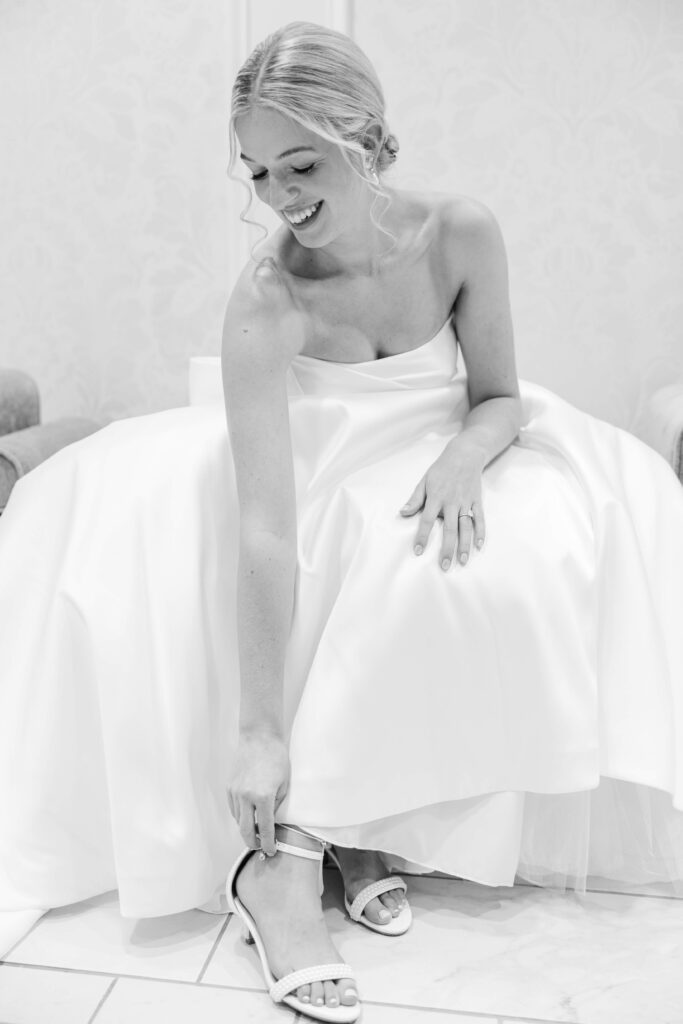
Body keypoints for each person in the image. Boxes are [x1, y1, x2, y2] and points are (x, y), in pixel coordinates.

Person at [1, 18, 683, 1024]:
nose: (278, 196)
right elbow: (266, 526)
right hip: (313, 465)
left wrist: (463, 455)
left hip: (435, 445)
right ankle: (281, 865)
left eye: (301, 165)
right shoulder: (265, 297)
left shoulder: (458, 232)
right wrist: (256, 735)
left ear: (362, 133)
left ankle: (360, 825)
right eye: (257, 172)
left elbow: (499, 397)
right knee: (365, 553)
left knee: (527, 547)